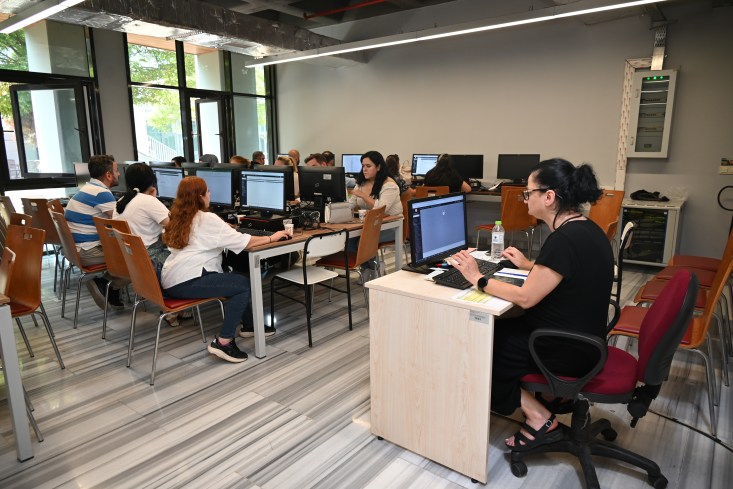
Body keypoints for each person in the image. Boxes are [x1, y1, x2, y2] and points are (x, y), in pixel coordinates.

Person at [449, 158, 613, 451]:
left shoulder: (564, 240)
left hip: (565, 348)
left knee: (481, 341)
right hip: (586, 339)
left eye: (528, 192)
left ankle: (540, 418)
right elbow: (568, 271)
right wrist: (529, 265)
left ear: (548, 197)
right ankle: (551, 396)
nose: (525, 198)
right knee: (502, 327)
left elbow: (526, 297)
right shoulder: (585, 229)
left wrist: (477, 278)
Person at [161, 177, 289, 363]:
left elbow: (202, 236)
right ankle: (223, 342)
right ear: (200, 196)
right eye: (207, 191)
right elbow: (246, 242)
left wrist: (223, 228)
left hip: (173, 277)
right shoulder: (207, 218)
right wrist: (272, 237)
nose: (210, 194)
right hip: (186, 281)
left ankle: (250, 326)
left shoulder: (180, 216)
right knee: (242, 285)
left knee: (234, 278)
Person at [113, 163, 188, 327]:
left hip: (132, 260)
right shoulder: (147, 201)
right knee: (187, 259)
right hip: (149, 261)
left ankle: (174, 306)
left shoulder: (121, 201)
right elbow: (176, 227)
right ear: (152, 181)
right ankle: (172, 306)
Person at [65, 154, 124, 310]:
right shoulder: (101, 193)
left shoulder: (86, 189)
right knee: (138, 258)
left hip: (76, 250)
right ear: (108, 175)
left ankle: (111, 291)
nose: (119, 174)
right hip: (88, 252)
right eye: (116, 171)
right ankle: (105, 283)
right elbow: (121, 223)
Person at [349, 151, 402, 217]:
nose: (364, 169)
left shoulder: (389, 185)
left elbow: (381, 209)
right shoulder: (361, 182)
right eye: (363, 166)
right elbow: (351, 203)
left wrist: (363, 195)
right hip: (368, 220)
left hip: (391, 221)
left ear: (378, 167)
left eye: (368, 166)